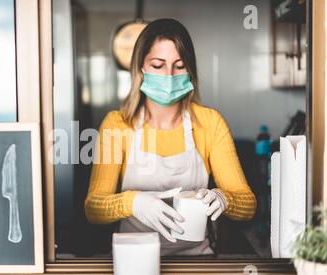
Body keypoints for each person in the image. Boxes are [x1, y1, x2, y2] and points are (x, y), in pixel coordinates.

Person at [84, 18, 256, 256]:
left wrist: (224, 199)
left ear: (190, 70)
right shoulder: (118, 125)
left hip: (196, 262)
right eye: (157, 65)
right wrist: (134, 202)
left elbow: (248, 204)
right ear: (140, 68)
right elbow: (93, 208)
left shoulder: (210, 123)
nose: (169, 75)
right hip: (133, 261)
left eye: (179, 65)